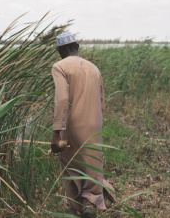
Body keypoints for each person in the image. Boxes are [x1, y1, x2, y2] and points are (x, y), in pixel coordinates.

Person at [51, 32, 107, 217]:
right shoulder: (94, 68)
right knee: (92, 163)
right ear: (77, 46)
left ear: (61, 50)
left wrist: (56, 133)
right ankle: (90, 202)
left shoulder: (59, 66)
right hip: (94, 125)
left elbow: (62, 100)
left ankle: (77, 208)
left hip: (73, 126)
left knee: (69, 163)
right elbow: (101, 101)